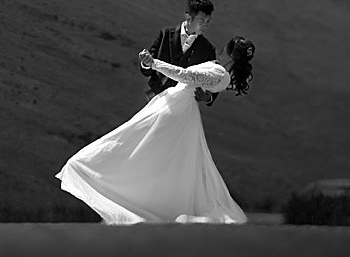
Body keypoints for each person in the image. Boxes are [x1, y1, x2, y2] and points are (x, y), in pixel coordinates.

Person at [56, 35, 256, 224]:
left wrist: (154, 63)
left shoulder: (220, 74)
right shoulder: (218, 70)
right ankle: (139, 200)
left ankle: (100, 178)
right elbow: (201, 86)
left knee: (134, 142)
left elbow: (184, 75)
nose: (219, 50)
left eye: (224, 48)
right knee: (151, 152)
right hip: (175, 106)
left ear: (230, 53)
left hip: (175, 110)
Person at [141, 0, 218, 107]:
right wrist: (146, 63)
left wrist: (207, 97)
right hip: (153, 97)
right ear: (188, 17)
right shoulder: (165, 34)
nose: (205, 25)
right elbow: (147, 69)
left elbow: (214, 80)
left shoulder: (207, 50)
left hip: (181, 106)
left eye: (208, 21)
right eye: (201, 20)